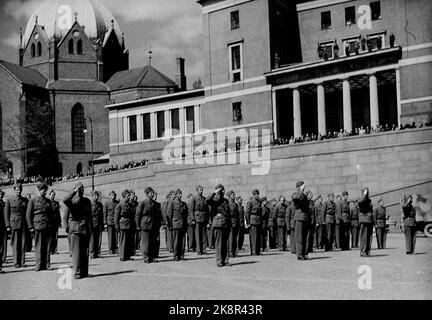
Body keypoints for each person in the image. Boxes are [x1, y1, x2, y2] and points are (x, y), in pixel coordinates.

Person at [63, 182, 92, 279]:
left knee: (85, 252)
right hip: (75, 229)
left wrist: (90, 228)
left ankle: (84, 272)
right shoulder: (72, 201)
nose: (81, 190)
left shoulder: (87, 201)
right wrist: (73, 192)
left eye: (82, 188)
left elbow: (89, 216)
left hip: (85, 228)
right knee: (77, 253)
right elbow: (65, 200)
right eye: (79, 188)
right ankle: (77, 272)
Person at [26, 182, 55, 271]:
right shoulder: (33, 201)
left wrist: (52, 226)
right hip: (37, 226)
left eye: (45, 190)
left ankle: (47, 264)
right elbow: (28, 215)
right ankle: (38, 265)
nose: (45, 192)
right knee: (38, 246)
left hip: (47, 226)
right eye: (43, 190)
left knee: (47, 246)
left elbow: (51, 214)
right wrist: (30, 226)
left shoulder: (48, 201)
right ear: (39, 190)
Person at [206, 185, 231, 267]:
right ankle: (219, 260)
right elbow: (207, 200)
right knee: (219, 244)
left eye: (223, 190)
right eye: (221, 190)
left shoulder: (226, 201)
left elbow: (228, 213)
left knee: (225, 244)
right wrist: (215, 192)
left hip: (226, 224)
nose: (223, 191)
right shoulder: (215, 201)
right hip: (218, 223)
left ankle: (226, 260)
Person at [5, 183, 29, 268]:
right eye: (17, 190)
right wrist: (7, 225)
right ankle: (16, 262)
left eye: (20, 190)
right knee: (15, 244)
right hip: (14, 224)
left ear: (21, 190)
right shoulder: (9, 200)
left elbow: (27, 213)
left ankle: (22, 261)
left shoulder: (25, 200)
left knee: (23, 244)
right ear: (14, 190)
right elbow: (6, 214)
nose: (18, 191)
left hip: (23, 224)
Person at [135, 187, 159, 263]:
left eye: (153, 193)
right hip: (145, 224)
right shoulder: (142, 203)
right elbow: (138, 215)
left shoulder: (154, 203)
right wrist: (138, 225)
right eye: (151, 193)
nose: (152, 194)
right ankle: (146, 257)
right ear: (147, 194)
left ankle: (151, 257)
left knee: (152, 242)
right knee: (145, 242)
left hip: (153, 224)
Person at [167, 189, 188, 261]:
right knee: (176, 241)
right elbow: (169, 215)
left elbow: (186, 215)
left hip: (183, 224)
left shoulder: (184, 204)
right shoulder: (172, 203)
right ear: (176, 195)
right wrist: (169, 224)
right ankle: (176, 256)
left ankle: (182, 255)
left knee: (183, 241)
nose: (181, 195)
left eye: (181, 194)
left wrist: (186, 224)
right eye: (179, 194)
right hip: (175, 224)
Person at [292, 181, 311, 260]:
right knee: (299, 237)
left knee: (306, 237)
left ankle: (304, 253)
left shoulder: (304, 196)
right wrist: (299, 190)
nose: (304, 188)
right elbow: (296, 199)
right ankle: (299, 254)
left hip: (305, 218)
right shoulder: (296, 195)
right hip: (299, 218)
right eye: (303, 187)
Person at [115, 190, 135, 261]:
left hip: (129, 224)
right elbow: (116, 216)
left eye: (129, 195)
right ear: (124, 196)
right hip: (123, 224)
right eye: (127, 195)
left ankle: (128, 256)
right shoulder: (120, 204)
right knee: (122, 240)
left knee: (128, 241)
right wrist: (117, 226)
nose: (129, 196)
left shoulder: (130, 204)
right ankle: (122, 256)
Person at [189, 186, 209, 255]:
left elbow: (207, 209)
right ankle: (199, 250)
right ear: (197, 191)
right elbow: (191, 210)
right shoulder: (193, 199)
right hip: (197, 218)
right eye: (200, 190)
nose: (201, 191)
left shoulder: (204, 198)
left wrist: (207, 219)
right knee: (198, 235)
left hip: (204, 218)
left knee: (204, 235)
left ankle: (204, 249)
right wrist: (193, 219)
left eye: (202, 190)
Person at [245, 189, 262, 256]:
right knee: (253, 237)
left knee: (258, 237)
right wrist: (248, 222)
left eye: (258, 194)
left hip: (258, 221)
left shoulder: (259, 202)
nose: (257, 195)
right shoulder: (250, 202)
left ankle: (258, 251)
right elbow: (247, 213)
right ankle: (253, 251)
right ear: (253, 195)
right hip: (253, 221)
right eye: (255, 194)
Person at [358, 187, 373, 257]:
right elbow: (360, 201)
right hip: (364, 220)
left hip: (369, 220)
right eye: (367, 192)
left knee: (369, 237)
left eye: (368, 192)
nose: (368, 193)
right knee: (363, 237)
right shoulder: (361, 199)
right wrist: (364, 194)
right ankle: (363, 252)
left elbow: (371, 210)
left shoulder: (369, 200)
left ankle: (367, 251)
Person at [89, 191, 103, 259]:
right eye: (95, 196)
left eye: (97, 196)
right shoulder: (89, 204)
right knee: (92, 239)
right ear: (92, 196)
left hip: (99, 223)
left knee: (98, 239)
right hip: (92, 223)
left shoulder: (100, 204)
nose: (96, 197)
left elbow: (102, 215)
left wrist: (103, 224)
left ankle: (97, 252)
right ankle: (92, 253)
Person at [48, 190, 61, 255]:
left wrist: (60, 221)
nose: (53, 196)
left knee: (55, 237)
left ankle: (55, 250)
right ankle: (50, 250)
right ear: (49, 195)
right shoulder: (47, 202)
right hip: (50, 222)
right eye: (52, 195)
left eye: (54, 195)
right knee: (50, 237)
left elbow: (58, 213)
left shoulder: (56, 203)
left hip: (56, 222)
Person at [227, 190, 239, 258]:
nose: (234, 196)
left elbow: (237, 214)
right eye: (233, 195)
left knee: (234, 239)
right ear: (229, 196)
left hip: (235, 223)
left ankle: (234, 252)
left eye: (234, 194)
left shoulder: (235, 204)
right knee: (230, 239)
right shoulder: (228, 204)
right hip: (230, 223)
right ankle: (230, 252)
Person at [152, 191, 163, 259]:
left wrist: (161, 222)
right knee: (152, 240)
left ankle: (156, 253)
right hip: (151, 224)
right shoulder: (150, 204)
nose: (155, 198)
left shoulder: (158, 204)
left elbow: (160, 214)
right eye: (154, 196)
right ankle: (152, 254)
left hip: (157, 224)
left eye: (156, 196)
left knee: (157, 240)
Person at [0, 189, 6, 273]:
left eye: (1, 195)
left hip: (2, 227)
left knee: (1, 248)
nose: (0, 196)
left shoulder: (4, 204)